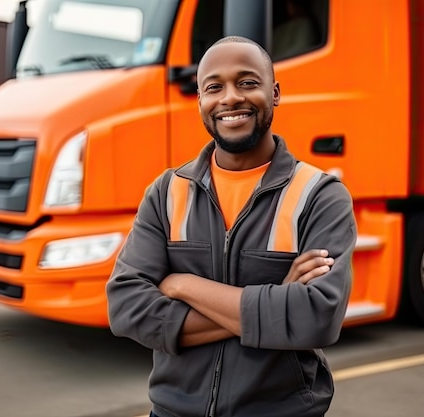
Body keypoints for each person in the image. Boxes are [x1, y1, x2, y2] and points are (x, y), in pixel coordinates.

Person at [106, 36, 357, 417]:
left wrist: (183, 286)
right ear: (201, 102)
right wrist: (275, 300)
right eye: (214, 87)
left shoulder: (320, 195)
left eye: (247, 82)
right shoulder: (166, 192)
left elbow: (316, 318)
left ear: (274, 93)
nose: (230, 98)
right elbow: (126, 308)